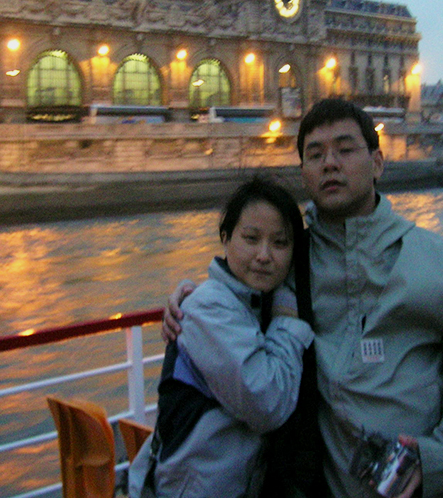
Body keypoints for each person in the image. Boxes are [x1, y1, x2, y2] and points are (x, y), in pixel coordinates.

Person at [165, 99, 443, 498]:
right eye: (315, 154)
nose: (330, 163)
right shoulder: (286, 263)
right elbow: (232, 293)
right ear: (304, 175)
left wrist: (440, 456)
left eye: (345, 150)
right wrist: (184, 298)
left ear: (378, 163)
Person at [130, 177, 315, 498]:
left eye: (280, 243)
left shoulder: (250, 303)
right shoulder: (207, 308)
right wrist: (287, 321)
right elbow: (267, 403)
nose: (264, 255)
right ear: (226, 238)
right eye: (251, 238)